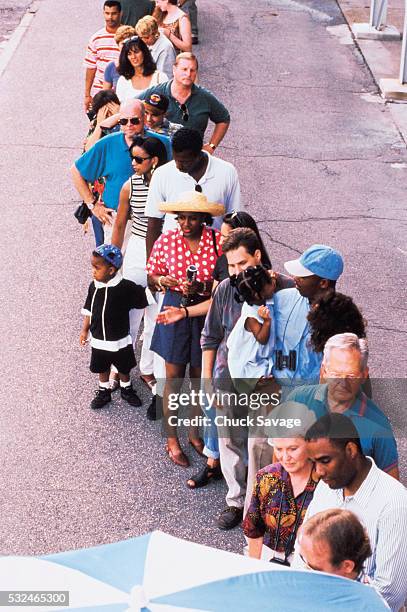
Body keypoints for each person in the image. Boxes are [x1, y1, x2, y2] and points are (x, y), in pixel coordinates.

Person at [293, 413, 407, 612]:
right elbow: (302, 549)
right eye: (314, 462)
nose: (318, 472)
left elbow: (389, 593)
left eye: (325, 460)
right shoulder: (325, 487)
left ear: (351, 450)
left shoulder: (395, 503)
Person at [146, 193, 224, 467]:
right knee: (173, 378)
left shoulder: (216, 241)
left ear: (204, 219)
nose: (186, 223)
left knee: (198, 377)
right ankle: (171, 439)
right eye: (182, 218)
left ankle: (194, 433)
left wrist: (201, 288)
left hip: (204, 310)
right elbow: (152, 274)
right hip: (174, 309)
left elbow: (221, 284)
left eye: (192, 218)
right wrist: (161, 280)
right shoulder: (166, 240)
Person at [287, 333, 399, 478]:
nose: (342, 383)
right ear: (324, 370)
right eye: (336, 374)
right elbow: (279, 457)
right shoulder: (297, 399)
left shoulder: (379, 426)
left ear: (364, 374)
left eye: (351, 376)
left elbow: (391, 486)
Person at [71, 99, 170, 245]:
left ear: (144, 119)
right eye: (124, 121)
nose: (129, 125)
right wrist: (93, 205)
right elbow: (76, 171)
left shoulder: (164, 143)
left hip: (154, 219)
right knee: (114, 265)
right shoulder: (107, 143)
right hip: (117, 219)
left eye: (134, 120)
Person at [112, 136, 168, 392]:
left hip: (164, 251)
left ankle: (148, 368)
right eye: (131, 158)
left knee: (156, 316)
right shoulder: (129, 186)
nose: (133, 163)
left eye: (138, 159)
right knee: (130, 312)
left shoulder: (169, 183)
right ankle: (119, 368)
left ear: (154, 160)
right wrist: (113, 257)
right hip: (136, 248)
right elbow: (121, 223)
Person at [243, 403, 318, 563]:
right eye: (279, 449)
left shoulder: (325, 484)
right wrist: (253, 567)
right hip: (267, 554)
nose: (285, 457)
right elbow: (254, 529)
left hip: (308, 562)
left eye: (292, 449)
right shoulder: (265, 477)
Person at [145, 127, 240, 255]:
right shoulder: (162, 174)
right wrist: (151, 266)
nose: (179, 166)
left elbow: (234, 219)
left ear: (199, 155)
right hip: (173, 254)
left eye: (185, 162)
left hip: (214, 253)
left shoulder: (227, 171)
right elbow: (153, 224)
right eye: (176, 160)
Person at [80, 244, 148, 410]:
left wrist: (156, 285)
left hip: (119, 340)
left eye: (97, 268)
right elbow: (89, 309)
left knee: (123, 366)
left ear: (111, 270)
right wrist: (84, 330)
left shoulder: (124, 287)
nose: (93, 271)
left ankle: (126, 388)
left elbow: (142, 296)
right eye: (92, 267)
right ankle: (104, 391)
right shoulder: (93, 286)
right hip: (98, 340)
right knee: (101, 367)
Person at [139, 53, 230, 142]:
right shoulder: (156, 92)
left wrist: (211, 146)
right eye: (184, 69)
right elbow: (130, 106)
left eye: (192, 70)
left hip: (193, 154)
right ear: (174, 69)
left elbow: (224, 119)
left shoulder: (204, 97)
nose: (188, 74)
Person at [227, 265, 276, 385]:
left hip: (257, 357)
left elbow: (271, 285)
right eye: (269, 282)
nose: (273, 283)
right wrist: (267, 322)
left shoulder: (259, 298)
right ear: (257, 295)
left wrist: (272, 278)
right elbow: (262, 339)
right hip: (247, 365)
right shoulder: (251, 317)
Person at [297, 508, 373, 582]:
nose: (304, 571)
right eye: (302, 558)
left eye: (315, 569)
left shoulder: (364, 594)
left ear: (347, 566)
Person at [83, 1, 122, 112]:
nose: (110, 17)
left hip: (121, 93)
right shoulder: (96, 38)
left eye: (114, 13)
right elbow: (91, 68)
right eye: (107, 13)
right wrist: (87, 95)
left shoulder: (127, 36)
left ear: (120, 13)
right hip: (99, 93)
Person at [116, 36, 168, 102]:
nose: (133, 57)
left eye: (136, 52)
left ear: (144, 52)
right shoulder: (123, 80)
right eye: (129, 54)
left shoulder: (160, 77)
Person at [103, 25, 137, 91]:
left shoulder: (139, 64)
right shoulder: (111, 66)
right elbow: (105, 93)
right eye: (123, 44)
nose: (126, 47)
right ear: (117, 45)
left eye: (128, 43)